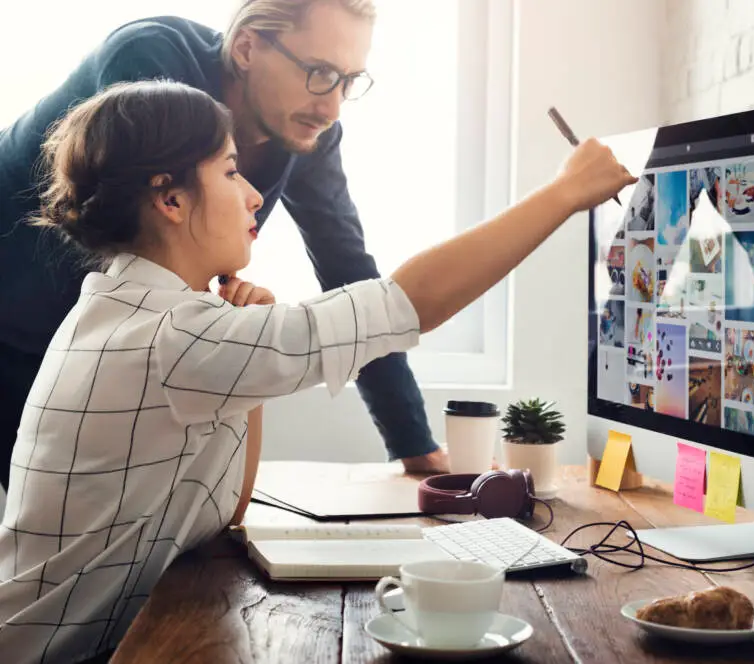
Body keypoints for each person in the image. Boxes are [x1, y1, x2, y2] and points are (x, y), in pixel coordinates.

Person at [0, 80, 633, 662]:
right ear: (170, 198)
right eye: (228, 171)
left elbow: (228, 509)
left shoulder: (127, 309)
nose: (253, 194)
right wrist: (564, 193)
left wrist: (246, 378)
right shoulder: (174, 335)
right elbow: (409, 304)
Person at [1, 0, 460, 488]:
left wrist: (415, 444)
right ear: (245, 47)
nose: (332, 106)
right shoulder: (151, 65)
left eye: (349, 81)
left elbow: (348, 266)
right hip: (30, 314)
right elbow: (139, 251)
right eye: (320, 72)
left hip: (89, 350)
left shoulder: (308, 130)